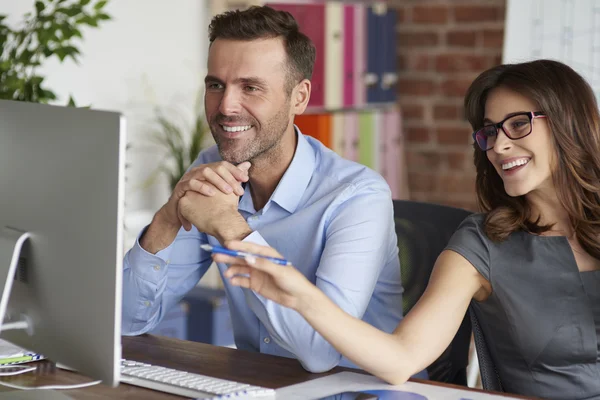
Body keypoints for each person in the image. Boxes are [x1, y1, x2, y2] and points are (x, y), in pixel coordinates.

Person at [213, 59, 600, 400]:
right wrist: (299, 295)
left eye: (518, 124)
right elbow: (400, 359)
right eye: (490, 133)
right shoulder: (483, 244)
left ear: (571, 123)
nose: (498, 146)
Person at [120, 5, 424, 377]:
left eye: (250, 87)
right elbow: (126, 323)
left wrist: (232, 229)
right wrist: (167, 218)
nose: (226, 106)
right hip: (261, 386)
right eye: (216, 84)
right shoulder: (211, 171)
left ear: (299, 97)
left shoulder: (357, 197)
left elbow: (320, 354)